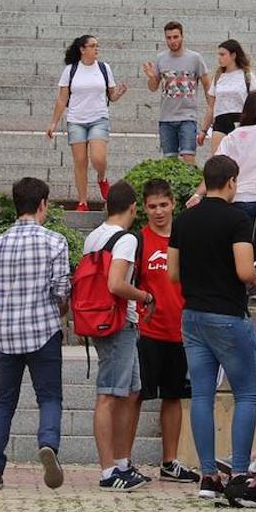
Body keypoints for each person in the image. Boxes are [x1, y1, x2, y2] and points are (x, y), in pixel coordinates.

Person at [167, 155, 256, 503]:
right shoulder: (238, 219)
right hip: (229, 316)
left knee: (203, 396)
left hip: (192, 316)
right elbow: (242, 271)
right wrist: (254, 276)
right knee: (246, 394)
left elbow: (172, 274)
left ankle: (207, 476)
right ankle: (239, 474)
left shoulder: (185, 219)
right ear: (232, 181)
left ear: (206, 182)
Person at [0, 176, 71, 491]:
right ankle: (48, 445)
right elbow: (61, 288)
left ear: (16, 205)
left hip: (7, 334)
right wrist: (62, 308)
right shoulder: (55, 242)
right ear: (42, 205)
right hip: (44, 331)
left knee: (4, 402)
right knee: (50, 397)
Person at [82, 180, 156, 491]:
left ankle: (123, 463)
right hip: (117, 324)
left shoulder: (93, 236)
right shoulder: (125, 239)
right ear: (133, 208)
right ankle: (108, 470)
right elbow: (115, 284)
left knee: (131, 391)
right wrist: (144, 296)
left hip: (103, 321)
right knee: (109, 394)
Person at [189, 91, 256, 304]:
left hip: (231, 200)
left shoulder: (232, 136)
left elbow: (215, 169)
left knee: (235, 244)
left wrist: (198, 193)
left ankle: (232, 286)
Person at [134, 178, 201, 484]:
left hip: (181, 330)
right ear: (144, 209)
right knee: (135, 396)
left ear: (173, 203)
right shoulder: (139, 240)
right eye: (152, 206)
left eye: (163, 205)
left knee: (173, 397)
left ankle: (169, 462)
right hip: (148, 331)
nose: (158, 211)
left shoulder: (187, 237)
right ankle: (123, 460)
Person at [45, 35, 129, 210]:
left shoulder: (104, 68)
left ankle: (101, 177)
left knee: (98, 158)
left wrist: (119, 92)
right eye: (92, 46)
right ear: (82, 49)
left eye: (97, 46)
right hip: (76, 120)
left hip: (98, 118)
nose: (96, 49)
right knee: (80, 161)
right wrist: (53, 123)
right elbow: (62, 99)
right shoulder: (71, 70)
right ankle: (82, 201)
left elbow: (111, 96)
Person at [142, 21, 211, 165]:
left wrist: (211, 106)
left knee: (189, 158)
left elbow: (207, 83)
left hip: (187, 116)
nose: (172, 41)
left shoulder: (195, 58)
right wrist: (151, 77)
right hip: (166, 118)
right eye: (169, 38)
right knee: (169, 162)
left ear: (182, 36)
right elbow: (153, 87)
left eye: (175, 37)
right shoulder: (161, 58)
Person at [199, 39, 256, 154]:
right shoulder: (218, 77)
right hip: (221, 121)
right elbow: (211, 106)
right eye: (218, 54)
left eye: (222, 54)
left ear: (233, 55)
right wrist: (204, 130)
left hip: (242, 120)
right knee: (217, 158)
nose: (219, 58)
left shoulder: (247, 76)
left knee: (242, 158)